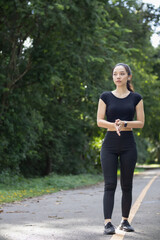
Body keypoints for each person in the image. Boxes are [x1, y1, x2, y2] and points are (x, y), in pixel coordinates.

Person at [97, 63, 145, 235]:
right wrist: (113, 125)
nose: (118, 76)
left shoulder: (136, 98)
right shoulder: (105, 96)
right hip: (109, 145)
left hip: (128, 145)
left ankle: (125, 220)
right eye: (115, 74)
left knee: (127, 185)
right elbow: (99, 121)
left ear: (128, 76)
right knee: (110, 184)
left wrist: (124, 123)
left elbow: (140, 123)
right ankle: (108, 223)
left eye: (122, 73)